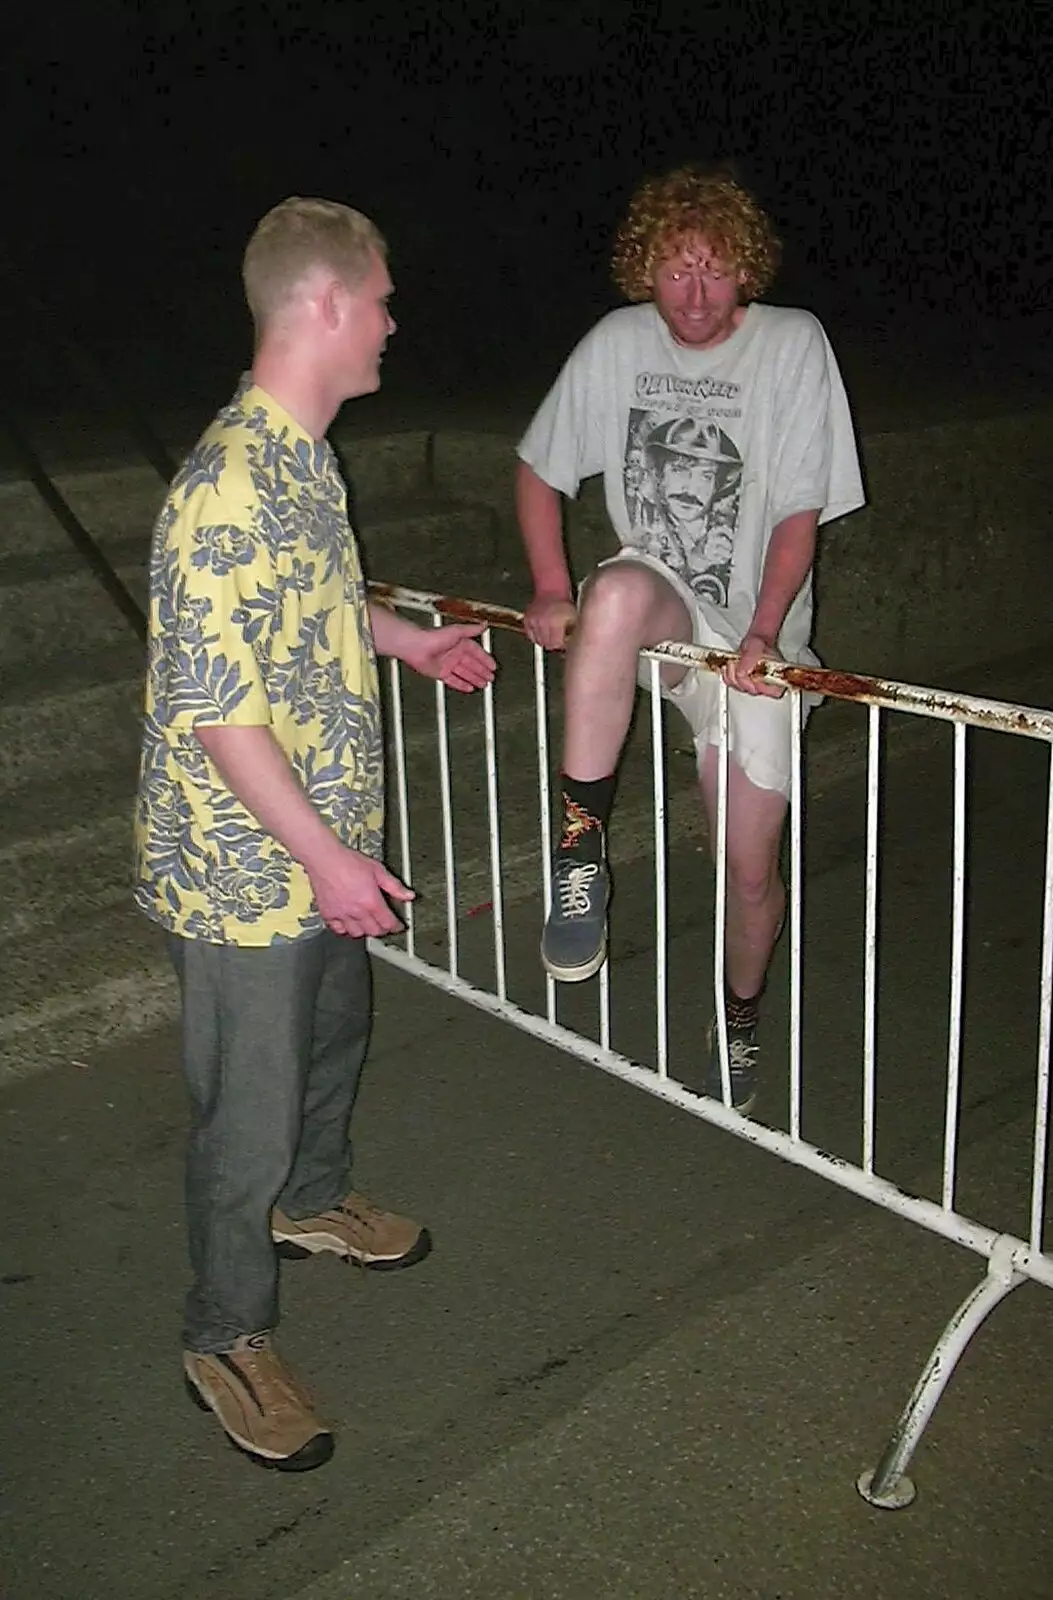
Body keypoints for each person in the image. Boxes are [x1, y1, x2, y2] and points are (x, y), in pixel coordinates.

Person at [134, 197, 495, 1472]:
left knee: (337, 1030)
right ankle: (224, 1331)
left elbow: (320, 602)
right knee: (248, 1103)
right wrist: (330, 862)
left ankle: (310, 1199)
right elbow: (221, 718)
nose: (396, 320)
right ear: (329, 304)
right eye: (385, 299)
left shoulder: (305, 459)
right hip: (246, 869)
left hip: (321, 843)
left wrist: (407, 640)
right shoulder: (223, 489)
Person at [516, 165, 864, 1114]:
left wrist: (762, 632)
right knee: (617, 590)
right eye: (675, 272)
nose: (695, 297)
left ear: (744, 269)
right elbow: (539, 468)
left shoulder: (792, 344)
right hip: (667, 600)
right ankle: (578, 855)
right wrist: (552, 586)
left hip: (757, 632)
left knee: (748, 871)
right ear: (645, 270)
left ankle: (739, 1022)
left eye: (714, 272)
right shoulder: (618, 344)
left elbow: (800, 511)